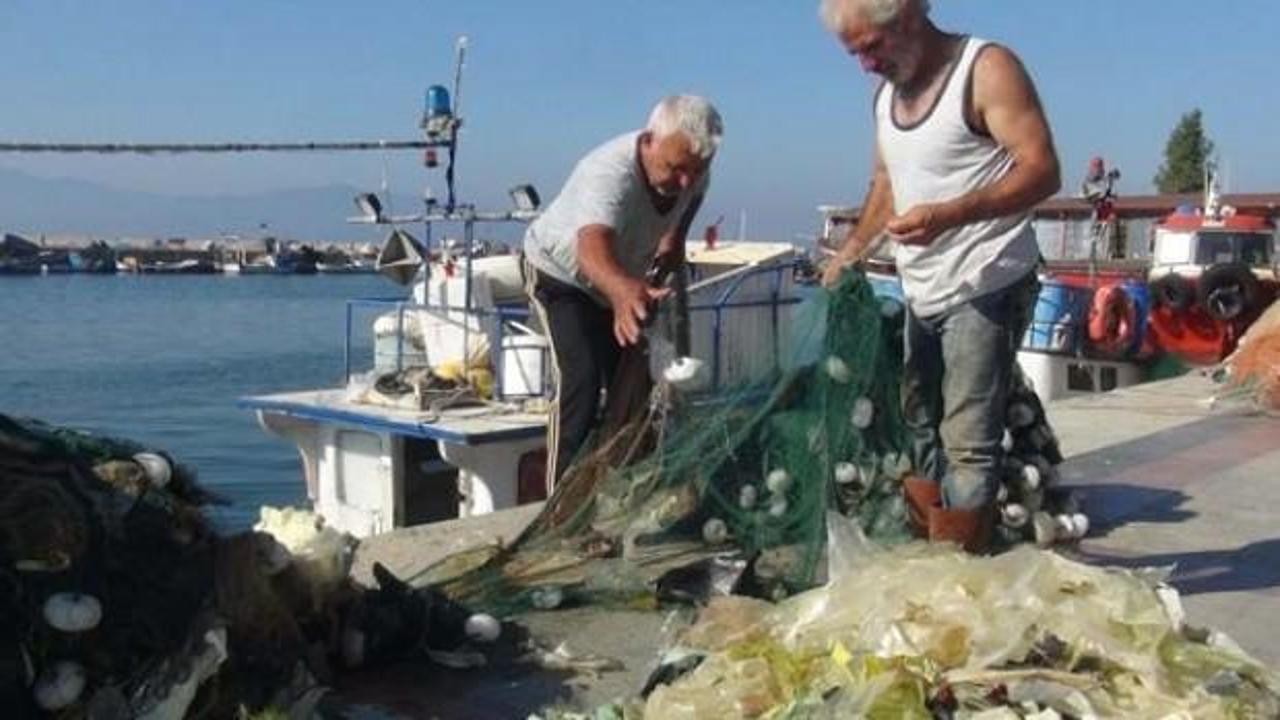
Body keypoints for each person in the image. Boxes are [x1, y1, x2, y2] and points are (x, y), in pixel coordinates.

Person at [818, 0, 1061, 551]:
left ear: (906, 18)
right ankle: (932, 551)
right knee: (919, 420)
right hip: (923, 285)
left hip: (986, 282)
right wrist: (852, 250)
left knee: (968, 438)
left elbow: (1041, 169)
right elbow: (886, 182)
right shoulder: (885, 96)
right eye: (854, 53)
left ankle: (962, 578)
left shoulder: (986, 69)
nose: (865, 65)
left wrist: (948, 215)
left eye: (871, 47)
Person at [523, 95, 721, 484]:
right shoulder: (608, 172)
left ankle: (620, 486)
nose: (684, 182)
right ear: (649, 142)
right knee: (580, 378)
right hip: (561, 275)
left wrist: (674, 238)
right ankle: (559, 509)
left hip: (622, 282)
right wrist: (623, 292)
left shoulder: (694, 171)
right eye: (675, 169)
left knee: (633, 390)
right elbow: (590, 248)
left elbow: (693, 195)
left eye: (695, 171)